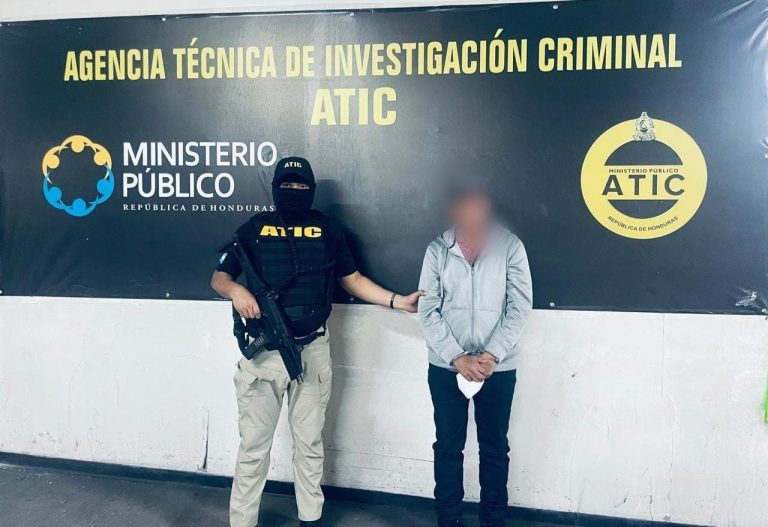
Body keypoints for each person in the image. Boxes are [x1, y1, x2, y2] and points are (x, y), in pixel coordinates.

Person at [211, 156, 424, 527]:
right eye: (287, 185)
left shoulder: (327, 230)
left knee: (309, 443)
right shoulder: (254, 229)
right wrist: (236, 291)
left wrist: (397, 301)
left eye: (301, 186)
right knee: (253, 447)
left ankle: (310, 518)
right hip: (264, 354)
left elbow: (352, 280)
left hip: (312, 350)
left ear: (311, 190)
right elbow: (219, 277)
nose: (294, 191)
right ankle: (242, 522)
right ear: (275, 188)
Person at [417, 187, 533, 527]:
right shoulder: (437, 250)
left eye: (479, 205)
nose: (473, 213)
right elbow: (427, 310)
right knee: (448, 447)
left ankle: (493, 520)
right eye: (465, 205)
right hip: (445, 366)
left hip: (497, 367)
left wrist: (492, 355)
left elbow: (519, 307)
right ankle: (448, 519)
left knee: (495, 448)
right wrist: (457, 357)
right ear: (454, 209)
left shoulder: (510, 246)